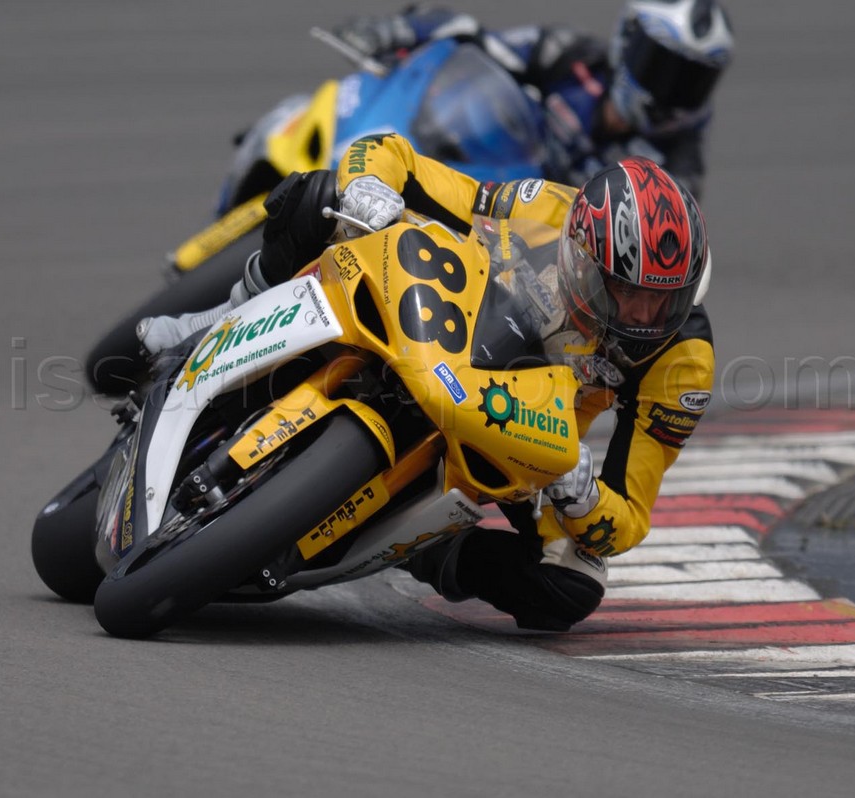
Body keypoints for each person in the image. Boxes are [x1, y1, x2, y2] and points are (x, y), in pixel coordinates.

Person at [138, 131, 714, 632]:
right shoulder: (547, 211)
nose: (644, 317)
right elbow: (397, 158)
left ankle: (425, 544)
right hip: (449, 328)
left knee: (572, 585)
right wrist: (370, 186)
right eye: (627, 292)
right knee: (318, 195)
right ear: (582, 259)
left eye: (665, 301)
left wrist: (583, 497)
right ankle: (218, 318)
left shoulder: (682, 362)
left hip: (532, 435)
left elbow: (628, 515)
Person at [330, 0, 734, 200]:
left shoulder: (676, 168)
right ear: (628, 41)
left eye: (692, 80)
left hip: (520, 243)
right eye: (663, 67)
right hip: (472, 171)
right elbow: (473, 35)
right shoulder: (567, 53)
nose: (670, 91)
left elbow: (655, 235)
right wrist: (400, 30)